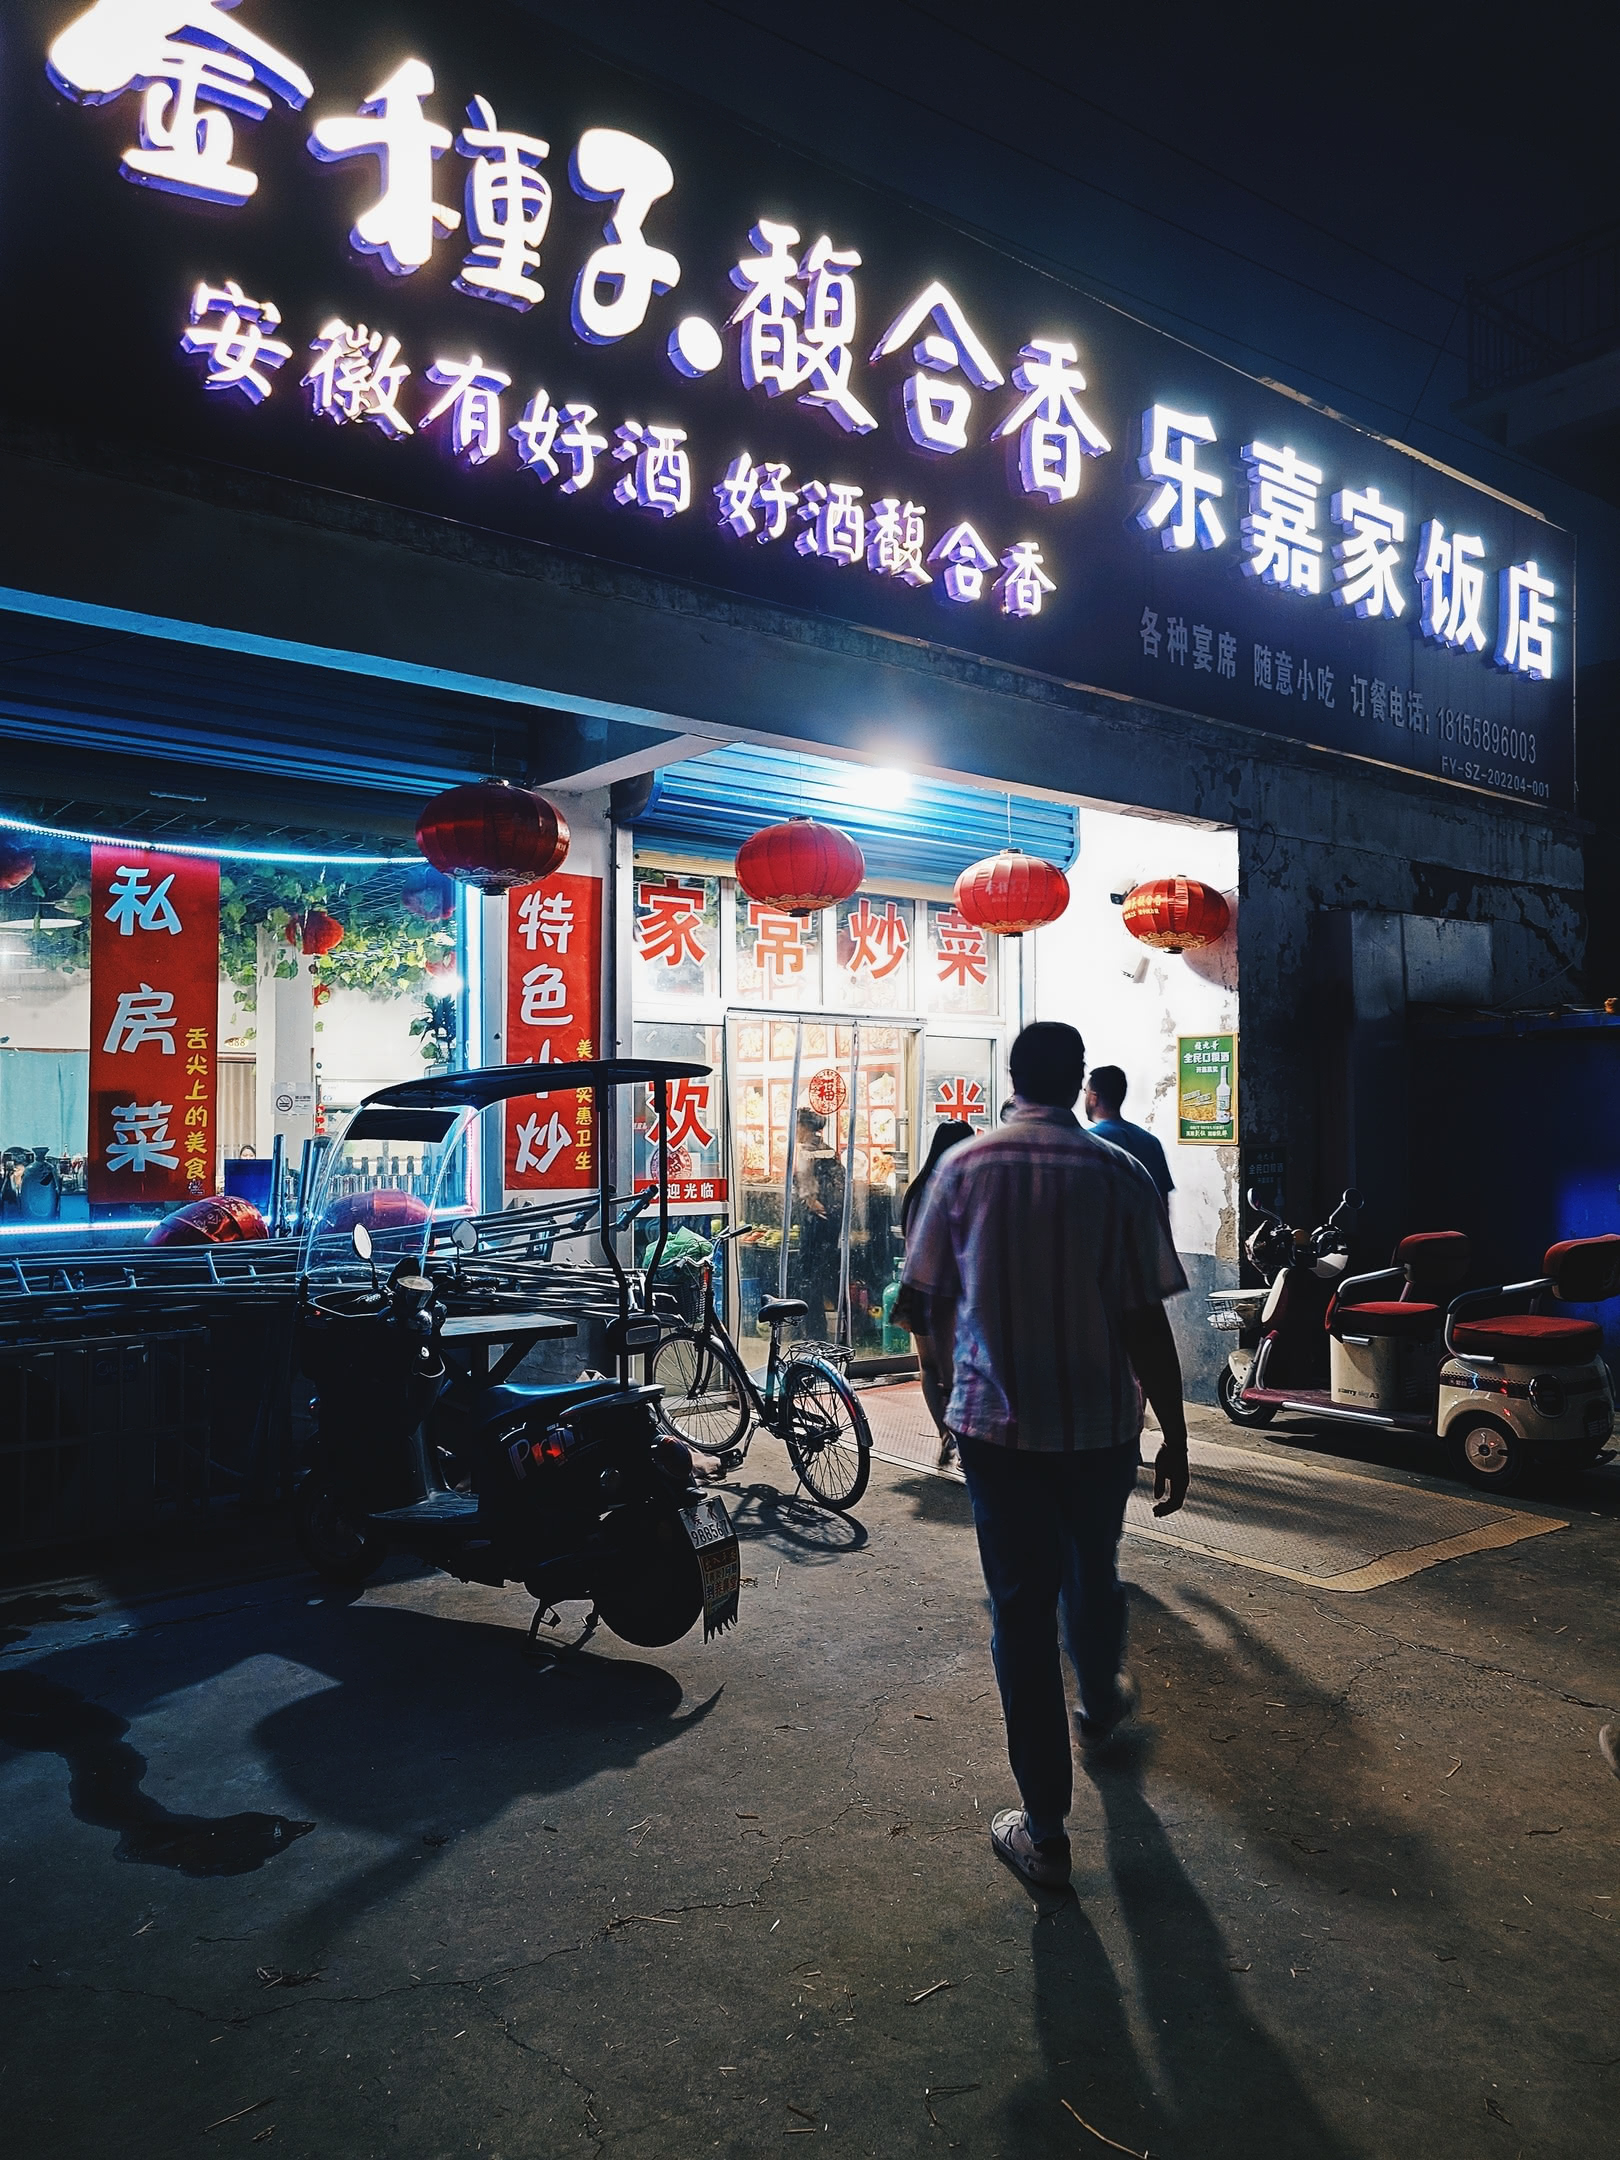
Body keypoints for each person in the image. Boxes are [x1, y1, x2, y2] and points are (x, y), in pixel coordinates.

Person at [901, 1021, 1191, 1894]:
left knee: (1020, 1615)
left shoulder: (964, 1169)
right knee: (1092, 1569)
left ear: (1015, 1078)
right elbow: (1147, 1318)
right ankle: (1100, 1698)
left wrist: (953, 1384)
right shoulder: (1123, 1173)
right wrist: (1175, 1431)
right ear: (1078, 1084)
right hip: (1103, 1428)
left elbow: (920, 1303)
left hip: (1001, 1430)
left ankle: (1047, 1830)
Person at [898, 1120, 976, 1461]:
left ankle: (945, 1434)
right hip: (955, 1290)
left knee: (930, 1366)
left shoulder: (917, 1187)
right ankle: (963, 1437)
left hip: (917, 1287)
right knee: (961, 1367)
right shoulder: (962, 1186)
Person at [1083, 1065, 1174, 1210]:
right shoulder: (1151, 1142)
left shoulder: (1089, 1141)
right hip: (1146, 1231)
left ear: (1094, 1098)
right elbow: (1163, 1203)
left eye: (1085, 1092)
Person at [791, 1105, 845, 1340]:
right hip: (830, 1222)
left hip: (815, 1223)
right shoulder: (828, 1150)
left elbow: (805, 1187)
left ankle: (815, 1334)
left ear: (804, 1126)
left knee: (810, 1280)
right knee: (828, 1277)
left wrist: (811, 1202)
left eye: (797, 1125)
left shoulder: (806, 1150)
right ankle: (840, 1331)